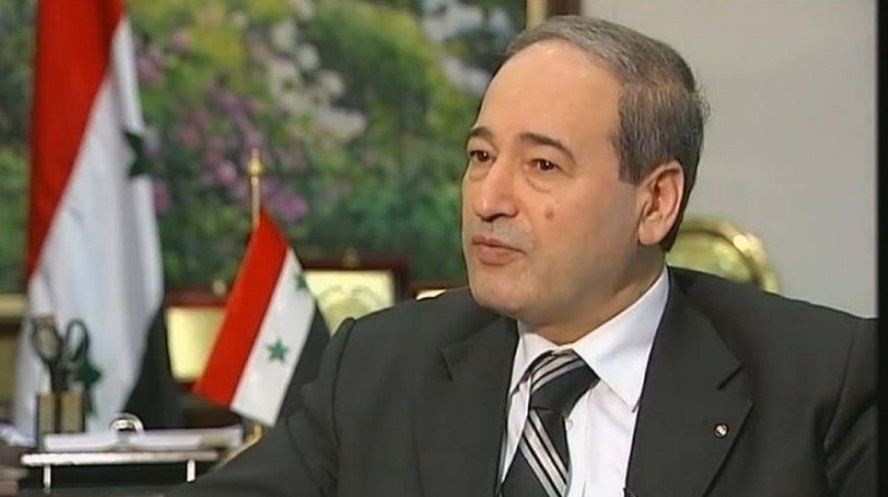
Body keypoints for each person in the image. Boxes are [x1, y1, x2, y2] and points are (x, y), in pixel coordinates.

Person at [168, 15, 875, 497]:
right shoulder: (380, 368)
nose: (488, 198)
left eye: (542, 165)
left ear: (656, 202)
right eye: (480, 156)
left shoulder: (822, 385)